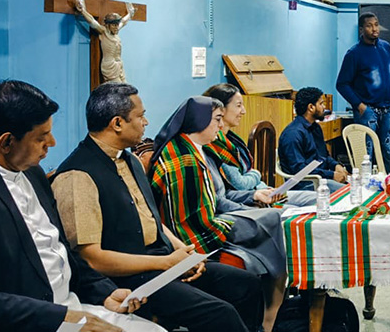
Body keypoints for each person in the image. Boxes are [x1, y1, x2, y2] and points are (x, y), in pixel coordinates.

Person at [53, 82, 263, 332]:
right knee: (220, 314)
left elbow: (151, 218)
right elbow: (92, 258)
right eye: (140, 116)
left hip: (160, 260)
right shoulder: (78, 175)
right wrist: (166, 263)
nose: (146, 122)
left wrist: (183, 252)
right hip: (127, 277)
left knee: (246, 284)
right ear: (117, 123)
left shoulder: (129, 159)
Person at [0, 80, 163, 332]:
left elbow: (60, 250)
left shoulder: (32, 172)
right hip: (31, 321)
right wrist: (57, 318)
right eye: (41, 137)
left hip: (70, 306)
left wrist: (103, 293)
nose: (53, 143)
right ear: (6, 142)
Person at [149, 96, 289, 332]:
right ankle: (271, 309)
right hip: (192, 235)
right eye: (216, 120)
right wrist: (230, 222)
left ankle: (273, 306)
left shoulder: (194, 149)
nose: (220, 125)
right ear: (198, 122)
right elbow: (190, 220)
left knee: (272, 218)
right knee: (272, 222)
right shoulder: (184, 161)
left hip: (211, 218)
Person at [204, 84, 315, 206]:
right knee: (298, 210)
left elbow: (245, 174)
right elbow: (240, 183)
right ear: (221, 109)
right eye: (238, 106)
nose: (243, 111)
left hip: (263, 190)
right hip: (252, 198)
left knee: (315, 198)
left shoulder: (231, 139)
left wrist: (263, 185)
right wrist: (257, 174)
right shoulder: (215, 145)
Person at [336, 12, 390, 166]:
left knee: (387, 149)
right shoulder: (354, 53)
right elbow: (342, 84)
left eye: (376, 25)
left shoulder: (386, 47)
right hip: (367, 110)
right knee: (366, 153)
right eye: (369, 26)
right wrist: (359, 105)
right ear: (361, 29)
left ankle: (387, 184)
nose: (374, 29)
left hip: (388, 108)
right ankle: (366, 187)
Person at [278, 87, 348, 192]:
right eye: (321, 104)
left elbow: (323, 156)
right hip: (304, 185)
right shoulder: (293, 134)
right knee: (348, 192)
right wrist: (331, 175)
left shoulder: (315, 127)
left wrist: (336, 165)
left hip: (321, 179)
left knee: (357, 187)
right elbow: (300, 171)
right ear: (311, 107)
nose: (324, 107)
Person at [73, 0, 135, 83]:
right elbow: (92, 21)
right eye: (113, 25)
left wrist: (130, 14)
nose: (116, 27)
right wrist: (83, 11)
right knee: (118, 90)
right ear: (108, 25)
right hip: (110, 67)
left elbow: (123, 22)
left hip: (119, 66)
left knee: (127, 89)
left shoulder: (115, 32)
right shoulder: (104, 32)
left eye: (117, 24)